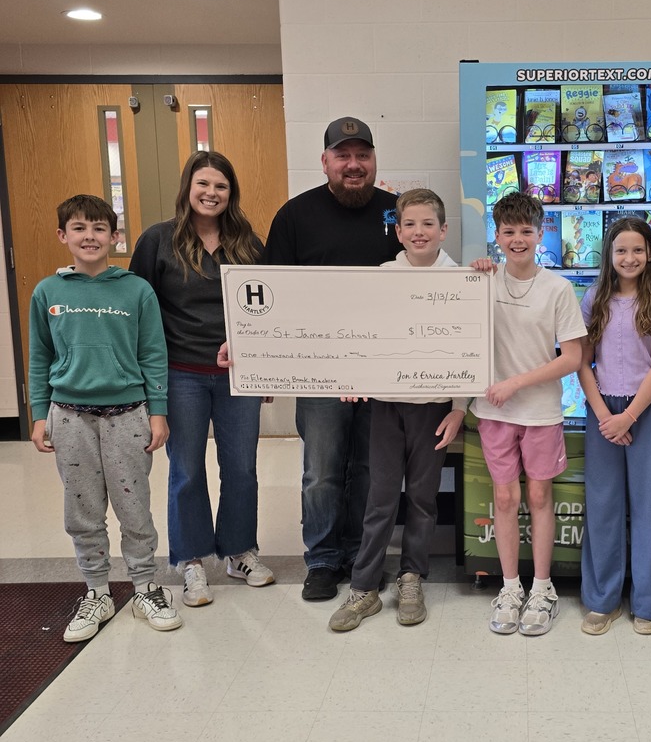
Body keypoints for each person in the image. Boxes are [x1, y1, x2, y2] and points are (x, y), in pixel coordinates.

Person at [28, 194, 181, 641]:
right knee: (83, 508)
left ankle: (145, 587)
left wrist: (158, 413)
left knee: (133, 505)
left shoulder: (136, 290)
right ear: (63, 236)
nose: (90, 236)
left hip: (128, 414)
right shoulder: (48, 291)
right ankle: (96, 591)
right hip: (69, 415)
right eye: (79, 228)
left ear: (115, 237)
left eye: (99, 229)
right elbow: (40, 357)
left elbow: (154, 354)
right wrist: (40, 415)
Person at [263, 117, 402, 602]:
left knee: (369, 466)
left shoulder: (396, 212)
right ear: (324, 161)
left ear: (374, 161)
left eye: (362, 155)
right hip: (319, 369)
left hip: (382, 368)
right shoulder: (295, 216)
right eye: (343, 155)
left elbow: (426, 274)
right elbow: (271, 296)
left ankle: (362, 555)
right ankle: (322, 560)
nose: (353, 164)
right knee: (321, 470)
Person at [130, 151, 272, 609]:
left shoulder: (250, 243)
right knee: (187, 469)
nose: (211, 193)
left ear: (232, 193)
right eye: (203, 184)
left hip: (238, 376)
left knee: (242, 467)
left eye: (221, 186)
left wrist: (267, 366)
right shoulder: (158, 241)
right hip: (181, 373)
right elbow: (137, 306)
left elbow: (269, 311)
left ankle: (238, 552)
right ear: (188, 188)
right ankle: (190, 560)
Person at [329, 189, 468, 631]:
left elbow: (470, 351)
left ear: (443, 230)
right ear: (397, 230)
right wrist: (354, 377)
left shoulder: (461, 280)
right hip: (387, 408)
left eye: (428, 224)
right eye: (410, 224)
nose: (419, 232)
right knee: (381, 499)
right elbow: (365, 333)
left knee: (423, 500)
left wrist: (459, 408)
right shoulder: (384, 275)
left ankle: (411, 576)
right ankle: (365, 587)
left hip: (433, 409)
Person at [472, 192, 587, 636]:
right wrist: (474, 272)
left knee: (539, 497)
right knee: (505, 498)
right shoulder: (482, 281)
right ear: (496, 236)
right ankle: (509, 586)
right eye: (508, 231)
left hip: (539, 411)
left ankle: (542, 588)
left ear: (541, 234)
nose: (517, 239)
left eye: (526, 231)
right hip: (494, 412)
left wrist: (516, 383)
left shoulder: (557, 288)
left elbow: (572, 357)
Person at [577, 218, 651, 636]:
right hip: (602, 410)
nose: (630, 258)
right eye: (621, 251)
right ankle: (602, 599)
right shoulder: (592, 297)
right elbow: (581, 362)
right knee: (603, 505)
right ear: (609, 255)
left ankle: (649, 603)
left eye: (638, 250)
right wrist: (605, 416)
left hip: (646, 409)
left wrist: (629, 416)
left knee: (649, 505)